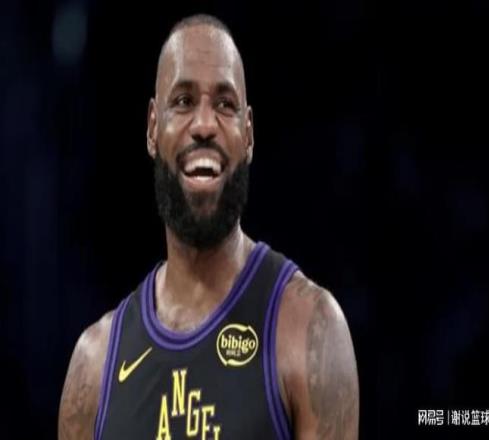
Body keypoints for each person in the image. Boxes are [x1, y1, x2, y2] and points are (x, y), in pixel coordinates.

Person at [58, 14, 359, 440]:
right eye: (183, 101)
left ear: (248, 135)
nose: (203, 125)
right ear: (152, 128)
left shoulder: (310, 331)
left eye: (224, 104)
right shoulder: (93, 366)